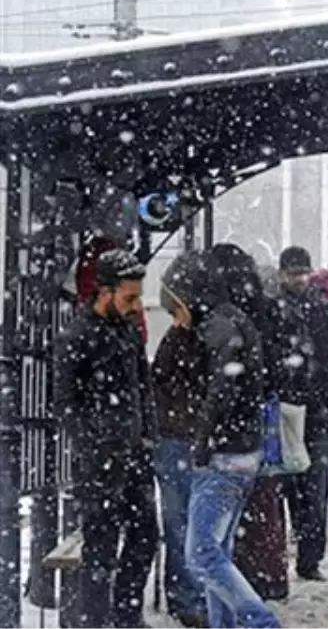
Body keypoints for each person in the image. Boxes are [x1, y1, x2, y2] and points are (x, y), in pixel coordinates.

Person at [161, 249, 281, 628]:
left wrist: (202, 439)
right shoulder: (236, 320)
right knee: (219, 551)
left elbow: (221, 391)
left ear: (188, 297)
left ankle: (260, 622)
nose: (177, 323)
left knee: (201, 555)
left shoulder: (217, 327)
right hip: (242, 451)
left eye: (175, 310)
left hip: (224, 455)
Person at [54, 249, 159, 629]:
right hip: (100, 460)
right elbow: (66, 403)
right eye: (129, 297)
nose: (135, 306)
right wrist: (94, 443)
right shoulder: (76, 337)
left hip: (133, 452)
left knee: (145, 535)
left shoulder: (127, 329)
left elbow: (141, 383)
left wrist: (147, 434)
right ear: (104, 292)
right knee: (100, 548)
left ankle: (127, 615)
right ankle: (97, 619)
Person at [210, 243, 290, 602]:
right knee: (265, 497)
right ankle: (269, 574)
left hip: (233, 421)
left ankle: (241, 574)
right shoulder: (267, 309)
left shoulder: (222, 317)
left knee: (230, 502)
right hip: (263, 415)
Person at [276, 246, 328, 581]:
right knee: (290, 489)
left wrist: (322, 386)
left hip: (315, 413)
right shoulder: (273, 312)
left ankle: (310, 557)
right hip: (287, 413)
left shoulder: (326, 315)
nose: (299, 279)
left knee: (314, 490)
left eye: (303, 273)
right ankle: (294, 551)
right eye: (293, 273)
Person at [152, 320, 209, 627]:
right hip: (181, 436)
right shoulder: (185, 341)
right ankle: (187, 596)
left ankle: (185, 594)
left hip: (180, 435)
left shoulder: (181, 339)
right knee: (185, 522)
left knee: (182, 522)